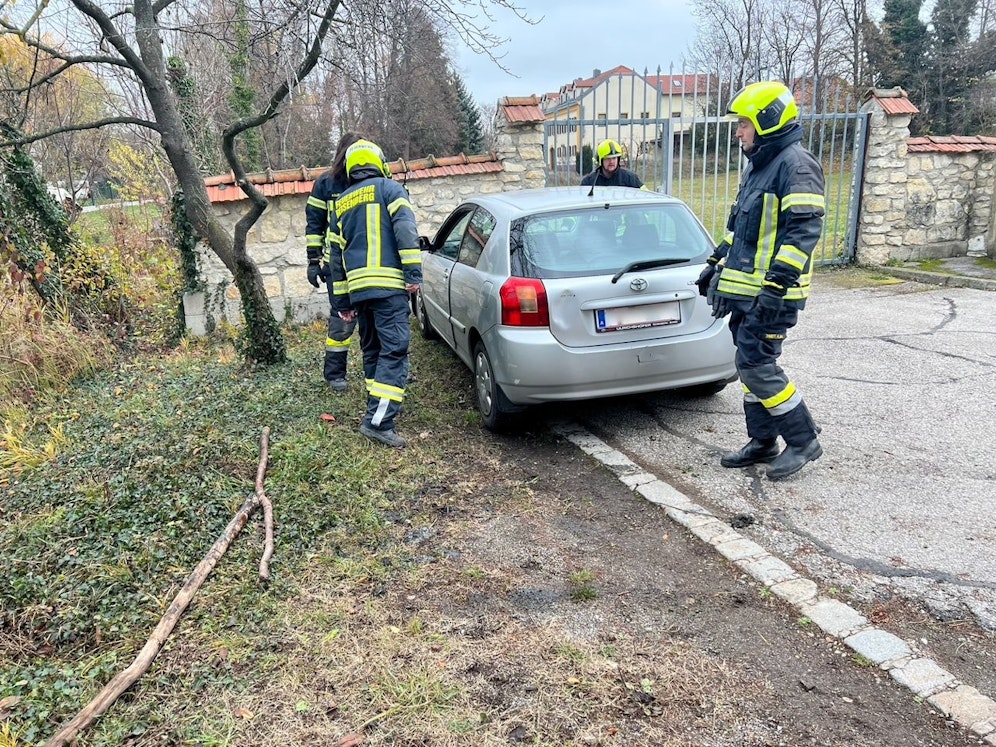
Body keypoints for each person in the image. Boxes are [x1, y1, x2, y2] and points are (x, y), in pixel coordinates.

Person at [696, 81, 825, 480]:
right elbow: (742, 228)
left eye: (744, 124)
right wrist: (716, 260)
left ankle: (803, 439)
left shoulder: (796, 165)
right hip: (747, 292)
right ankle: (763, 440)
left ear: (767, 121)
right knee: (747, 363)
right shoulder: (760, 165)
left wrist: (775, 286)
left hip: (773, 295)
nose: (738, 132)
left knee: (756, 365)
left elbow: (803, 231)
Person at [327, 139, 422, 448]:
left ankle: (378, 404)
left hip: (359, 291)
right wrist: (413, 274)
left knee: (372, 349)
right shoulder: (391, 190)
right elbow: (405, 231)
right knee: (394, 351)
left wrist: (342, 301)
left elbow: (336, 259)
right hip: (389, 288)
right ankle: (379, 421)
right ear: (380, 163)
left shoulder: (339, 203)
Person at [305, 131, 363, 392]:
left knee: (377, 320)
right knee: (341, 320)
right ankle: (335, 374)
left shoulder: (375, 181)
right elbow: (314, 223)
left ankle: (385, 369)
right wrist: (313, 260)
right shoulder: (326, 184)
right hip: (336, 267)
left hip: (370, 265)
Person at [580, 139, 645, 189]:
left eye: (614, 158)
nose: (611, 161)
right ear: (600, 160)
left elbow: (646, 197)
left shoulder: (630, 179)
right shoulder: (588, 182)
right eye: (607, 158)